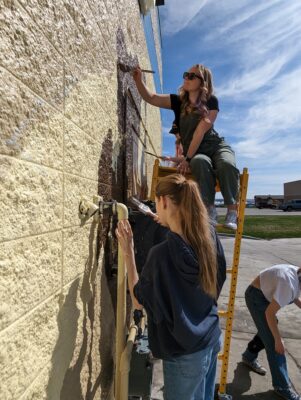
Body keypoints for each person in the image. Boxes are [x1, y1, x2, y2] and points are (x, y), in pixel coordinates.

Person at [116, 174, 226, 400]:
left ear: (164, 201)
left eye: (156, 202)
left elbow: (138, 300)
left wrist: (128, 252)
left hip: (184, 354)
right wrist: (169, 222)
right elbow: (218, 280)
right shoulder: (210, 236)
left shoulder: (161, 255)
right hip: (211, 339)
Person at [132, 64, 240, 230]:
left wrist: (186, 158)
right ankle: (209, 209)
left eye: (192, 76)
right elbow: (151, 97)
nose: (186, 78)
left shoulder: (211, 101)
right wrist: (138, 80)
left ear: (203, 82)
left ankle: (232, 211)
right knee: (199, 163)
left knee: (226, 163)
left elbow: (200, 131)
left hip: (215, 146)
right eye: (185, 74)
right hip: (196, 152)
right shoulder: (177, 101)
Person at [242, 264, 301, 400]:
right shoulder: (289, 283)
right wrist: (278, 340)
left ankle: (249, 356)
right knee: (275, 345)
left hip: (261, 292)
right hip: (255, 297)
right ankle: (282, 387)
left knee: (268, 331)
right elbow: (269, 313)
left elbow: (295, 297)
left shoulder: (297, 275)